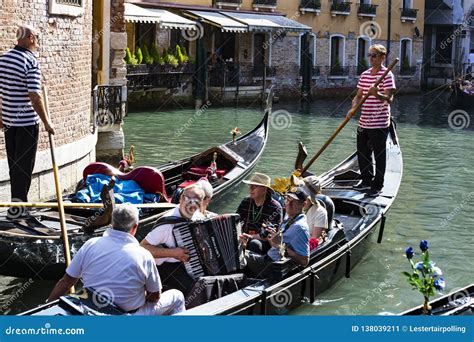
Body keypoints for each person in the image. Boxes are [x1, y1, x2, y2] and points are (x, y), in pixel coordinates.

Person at [47, 204, 185, 315]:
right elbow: (155, 296)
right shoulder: (144, 255)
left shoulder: (91, 244)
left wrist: (46, 306)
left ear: (112, 223)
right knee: (177, 296)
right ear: (135, 227)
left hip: (90, 308)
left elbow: (66, 281)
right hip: (126, 316)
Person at [0, 25, 55, 218]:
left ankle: (16, 206)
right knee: (24, 165)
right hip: (26, 123)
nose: (37, 42)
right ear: (31, 38)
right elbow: (34, 95)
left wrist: (0, 117)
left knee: (14, 164)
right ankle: (19, 209)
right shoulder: (31, 61)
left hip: (8, 121)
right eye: (37, 38)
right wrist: (47, 122)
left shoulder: (3, 59)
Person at [347, 44, 396, 197]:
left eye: (374, 55)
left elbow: (389, 99)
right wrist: (353, 108)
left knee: (379, 155)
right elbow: (358, 96)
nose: (371, 58)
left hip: (380, 123)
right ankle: (366, 180)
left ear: (382, 57)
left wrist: (377, 94)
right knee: (363, 152)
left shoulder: (387, 75)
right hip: (364, 121)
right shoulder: (365, 74)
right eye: (369, 55)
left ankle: (377, 185)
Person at [140, 184, 205, 296]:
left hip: (191, 263)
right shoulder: (165, 224)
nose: (191, 202)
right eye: (186, 198)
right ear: (180, 198)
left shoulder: (199, 217)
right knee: (196, 289)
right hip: (167, 268)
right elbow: (142, 248)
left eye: (196, 200)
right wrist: (173, 253)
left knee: (210, 280)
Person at [241, 187, 310, 279]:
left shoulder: (300, 227)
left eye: (294, 201)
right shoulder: (288, 218)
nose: (289, 204)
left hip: (272, 266)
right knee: (242, 249)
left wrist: (279, 246)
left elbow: (304, 261)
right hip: (268, 258)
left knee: (237, 254)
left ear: (304, 205)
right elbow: (277, 243)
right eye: (288, 199)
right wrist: (272, 237)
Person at [236, 172, 283, 255]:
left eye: (255, 186)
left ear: (264, 189)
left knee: (254, 244)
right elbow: (236, 220)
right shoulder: (246, 202)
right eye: (250, 186)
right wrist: (240, 235)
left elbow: (268, 234)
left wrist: (249, 237)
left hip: (263, 242)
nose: (251, 188)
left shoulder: (275, 208)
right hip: (244, 236)